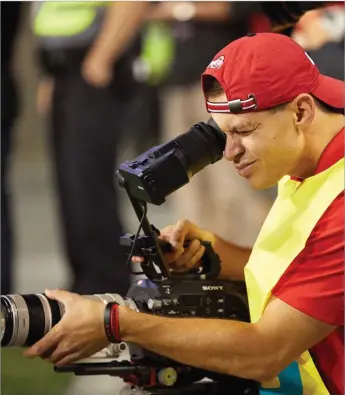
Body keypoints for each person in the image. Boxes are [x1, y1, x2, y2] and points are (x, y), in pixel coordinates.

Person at [24, 33, 344, 395]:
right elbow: (312, 273)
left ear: (301, 111)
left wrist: (116, 323)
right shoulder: (312, 159)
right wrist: (218, 255)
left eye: (244, 131)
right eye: (223, 135)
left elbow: (264, 352)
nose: (229, 152)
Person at [31, 1, 148, 295]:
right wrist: (52, 72)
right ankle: (86, 284)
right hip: (66, 69)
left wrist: (101, 57)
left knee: (87, 185)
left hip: (92, 63)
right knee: (72, 189)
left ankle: (105, 286)